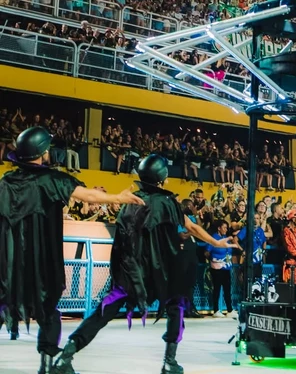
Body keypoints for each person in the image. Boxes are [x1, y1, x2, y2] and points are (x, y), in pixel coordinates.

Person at [52, 154, 236, 374]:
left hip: (132, 273)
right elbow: (192, 228)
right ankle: (169, 362)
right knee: (176, 307)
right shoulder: (169, 203)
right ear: (163, 178)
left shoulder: (129, 202)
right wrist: (216, 241)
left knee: (103, 312)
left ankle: (67, 355)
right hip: (162, 272)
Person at [0, 126, 143, 374]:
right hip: (43, 258)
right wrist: (118, 199)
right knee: (48, 310)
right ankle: (46, 365)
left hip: (9, 259)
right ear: (43, 152)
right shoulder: (53, 180)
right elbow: (89, 196)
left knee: (3, 303)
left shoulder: (5, 182)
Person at [209, 220, 235, 317]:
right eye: (224, 227)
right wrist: (214, 261)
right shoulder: (213, 238)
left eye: (226, 228)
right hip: (217, 268)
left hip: (226, 268)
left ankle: (229, 310)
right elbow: (207, 252)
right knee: (217, 289)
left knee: (227, 289)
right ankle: (216, 310)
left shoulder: (226, 238)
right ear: (219, 228)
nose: (226, 229)